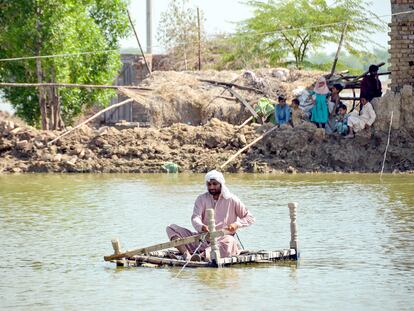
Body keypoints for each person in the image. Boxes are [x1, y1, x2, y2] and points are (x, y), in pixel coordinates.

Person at [166, 170, 255, 261]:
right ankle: (186, 255)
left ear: (221, 184)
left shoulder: (232, 199)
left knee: (229, 241)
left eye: (214, 184)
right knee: (171, 228)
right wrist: (202, 227)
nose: (211, 187)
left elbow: (250, 218)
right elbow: (195, 218)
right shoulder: (201, 199)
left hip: (222, 240)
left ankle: (201, 256)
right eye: (209, 184)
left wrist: (237, 224)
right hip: (202, 239)